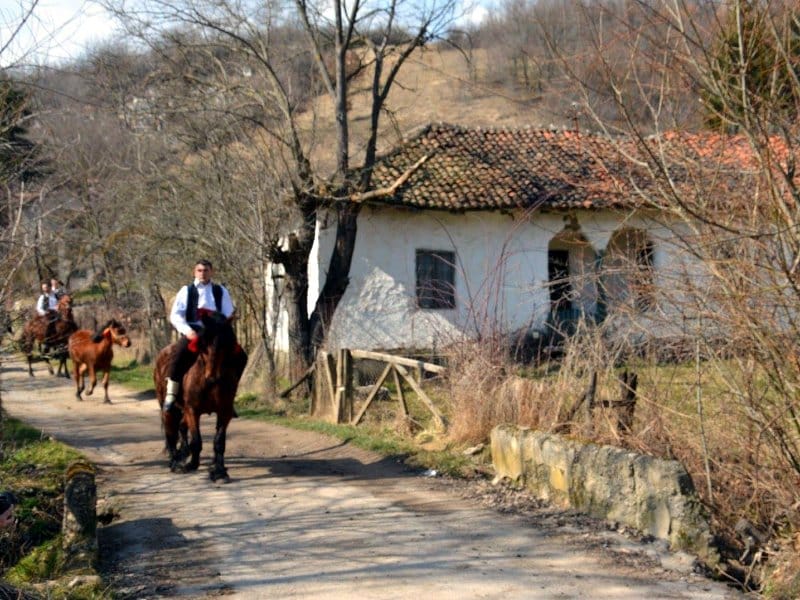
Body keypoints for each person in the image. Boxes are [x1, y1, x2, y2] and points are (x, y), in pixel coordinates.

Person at [163, 259, 235, 413]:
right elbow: (176, 315)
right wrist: (187, 330)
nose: (203, 273)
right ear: (194, 272)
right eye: (200, 270)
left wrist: (219, 323)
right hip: (194, 330)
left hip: (215, 331)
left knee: (239, 355)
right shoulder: (186, 291)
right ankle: (171, 393)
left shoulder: (220, 290)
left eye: (206, 270)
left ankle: (230, 396)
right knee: (178, 355)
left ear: (212, 272)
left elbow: (228, 311)